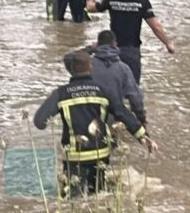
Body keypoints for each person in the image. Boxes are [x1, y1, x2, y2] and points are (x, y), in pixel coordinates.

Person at [33, 51, 157, 197]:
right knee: (97, 195)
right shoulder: (104, 91)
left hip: (74, 157)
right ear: (91, 68)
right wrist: (144, 137)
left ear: (70, 70)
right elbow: (124, 114)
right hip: (100, 155)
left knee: (73, 199)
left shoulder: (61, 94)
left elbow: (39, 122)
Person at [86, 0, 175, 84]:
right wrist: (168, 43)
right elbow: (156, 27)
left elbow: (91, 8)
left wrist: (90, 0)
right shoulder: (142, 2)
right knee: (132, 86)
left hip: (112, 49)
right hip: (132, 50)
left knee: (113, 84)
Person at [74, 30, 147, 126]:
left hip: (86, 116)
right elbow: (135, 98)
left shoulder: (86, 65)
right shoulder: (123, 68)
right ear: (115, 44)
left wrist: (90, 49)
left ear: (98, 44)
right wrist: (141, 118)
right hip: (111, 117)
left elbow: (69, 58)